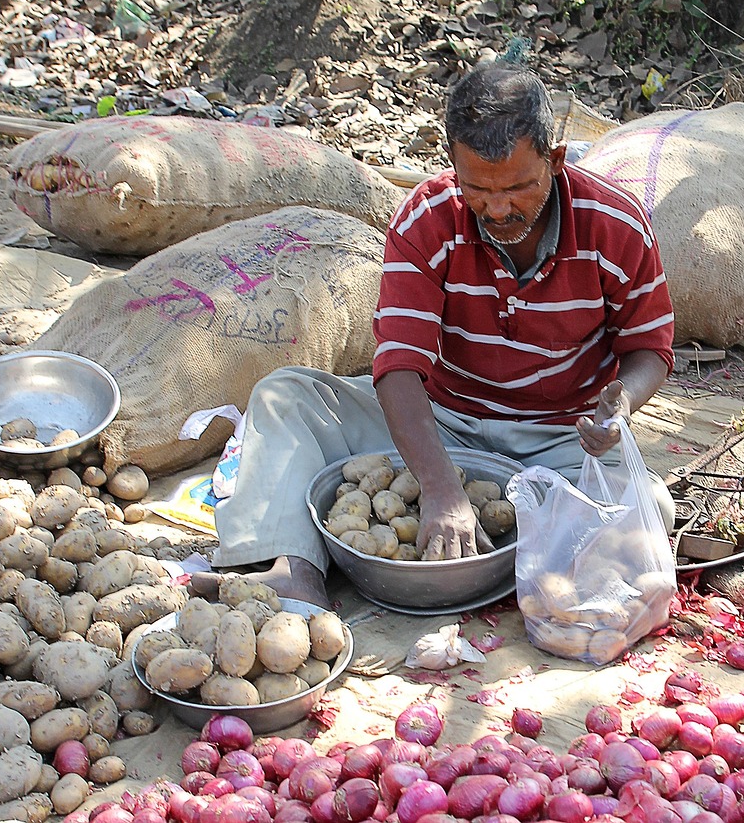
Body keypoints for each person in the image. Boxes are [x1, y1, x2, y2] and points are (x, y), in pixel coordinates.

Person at [190, 60, 676, 607]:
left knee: (650, 509)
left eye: (519, 188)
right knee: (286, 398)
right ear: (453, 167)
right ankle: (296, 568)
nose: (497, 208)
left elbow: (649, 347)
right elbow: (398, 366)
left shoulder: (615, 225)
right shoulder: (427, 218)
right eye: (478, 189)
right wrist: (441, 489)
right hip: (441, 419)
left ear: (556, 161)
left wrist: (623, 402)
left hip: (558, 438)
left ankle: (502, 546)